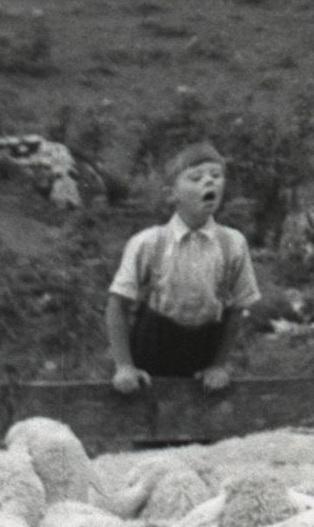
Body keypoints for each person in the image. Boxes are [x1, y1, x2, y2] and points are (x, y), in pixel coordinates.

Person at [110, 142, 258, 392]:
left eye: (216, 175)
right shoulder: (149, 242)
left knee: (205, 414)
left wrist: (218, 365)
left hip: (202, 358)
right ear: (172, 194)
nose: (209, 182)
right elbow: (117, 304)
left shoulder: (232, 243)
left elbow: (239, 308)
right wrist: (124, 366)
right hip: (151, 353)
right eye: (196, 177)